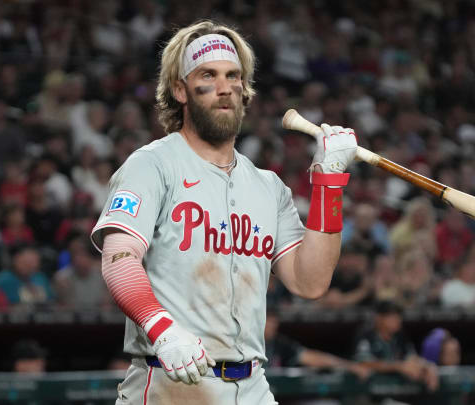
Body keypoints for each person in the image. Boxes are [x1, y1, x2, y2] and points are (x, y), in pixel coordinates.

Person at [89, 20, 358, 404]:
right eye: (208, 75)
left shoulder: (269, 187)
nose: (224, 86)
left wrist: (328, 183)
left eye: (233, 76)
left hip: (252, 385)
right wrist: (161, 327)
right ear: (180, 90)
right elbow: (119, 258)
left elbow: (309, 282)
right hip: (172, 383)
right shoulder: (152, 164)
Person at [352, 300, 439, 391]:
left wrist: (428, 366)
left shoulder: (400, 336)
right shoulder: (366, 335)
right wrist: (399, 366)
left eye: (398, 316)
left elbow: (412, 358)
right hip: (366, 394)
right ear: (378, 318)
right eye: (392, 316)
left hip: (394, 393)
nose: (398, 320)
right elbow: (364, 363)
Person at [264, 310, 370, 380]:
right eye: (268, 322)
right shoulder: (248, 341)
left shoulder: (280, 344)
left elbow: (314, 358)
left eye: (274, 323)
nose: (271, 327)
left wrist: (350, 366)